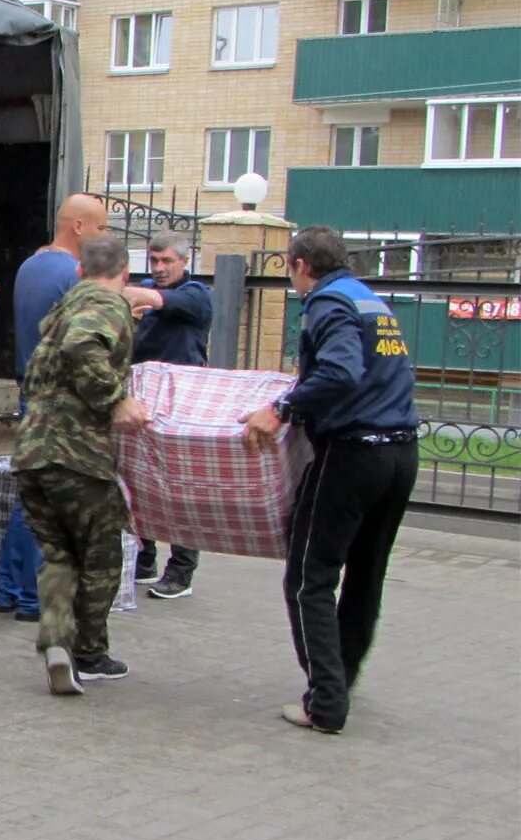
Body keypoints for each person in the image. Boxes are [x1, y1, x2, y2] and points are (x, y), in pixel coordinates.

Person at [242, 226, 419, 736]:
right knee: (365, 574)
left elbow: (341, 371)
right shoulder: (370, 301)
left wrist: (280, 410)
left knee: (308, 578)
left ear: (300, 266)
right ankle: (339, 681)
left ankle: (325, 701)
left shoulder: (328, 303)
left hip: (353, 455)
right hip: (400, 452)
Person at [13, 236, 149, 695]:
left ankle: (56, 643)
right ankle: (90, 654)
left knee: (58, 554)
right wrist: (117, 399)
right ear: (124, 273)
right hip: (78, 457)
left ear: (78, 270)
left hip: (32, 455)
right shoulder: (104, 305)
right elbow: (82, 346)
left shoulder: (63, 308)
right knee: (102, 555)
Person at [0, 194, 108, 622]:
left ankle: (6, 588)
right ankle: (29, 596)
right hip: (58, 399)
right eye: (100, 228)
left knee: (30, 491)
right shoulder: (72, 275)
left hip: (29, 390)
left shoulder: (31, 266)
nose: (103, 236)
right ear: (78, 226)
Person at [126, 231, 215, 598]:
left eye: (167, 262)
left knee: (180, 484)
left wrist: (134, 294)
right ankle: (143, 560)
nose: (160, 268)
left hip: (181, 404)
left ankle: (181, 571)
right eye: (155, 260)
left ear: (185, 260)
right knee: (138, 480)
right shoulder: (146, 290)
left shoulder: (196, 295)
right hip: (143, 400)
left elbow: (161, 299)